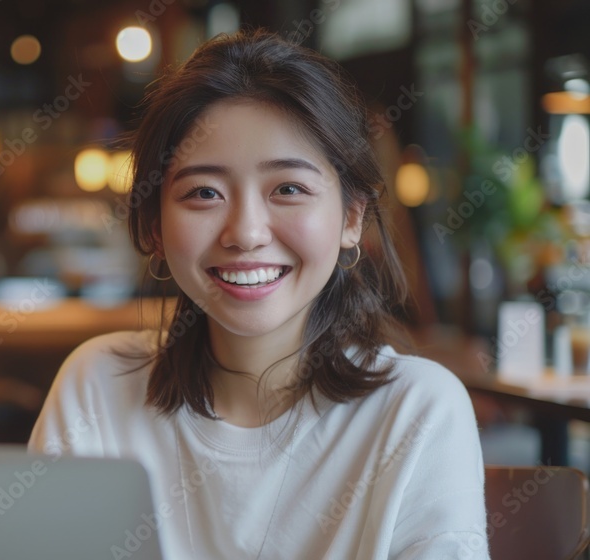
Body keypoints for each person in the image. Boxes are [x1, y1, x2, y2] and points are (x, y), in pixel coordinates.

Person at [28, 30, 489, 559]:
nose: (245, 233)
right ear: (153, 225)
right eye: (204, 193)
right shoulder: (98, 387)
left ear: (352, 216)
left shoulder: (418, 411)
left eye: (288, 189)